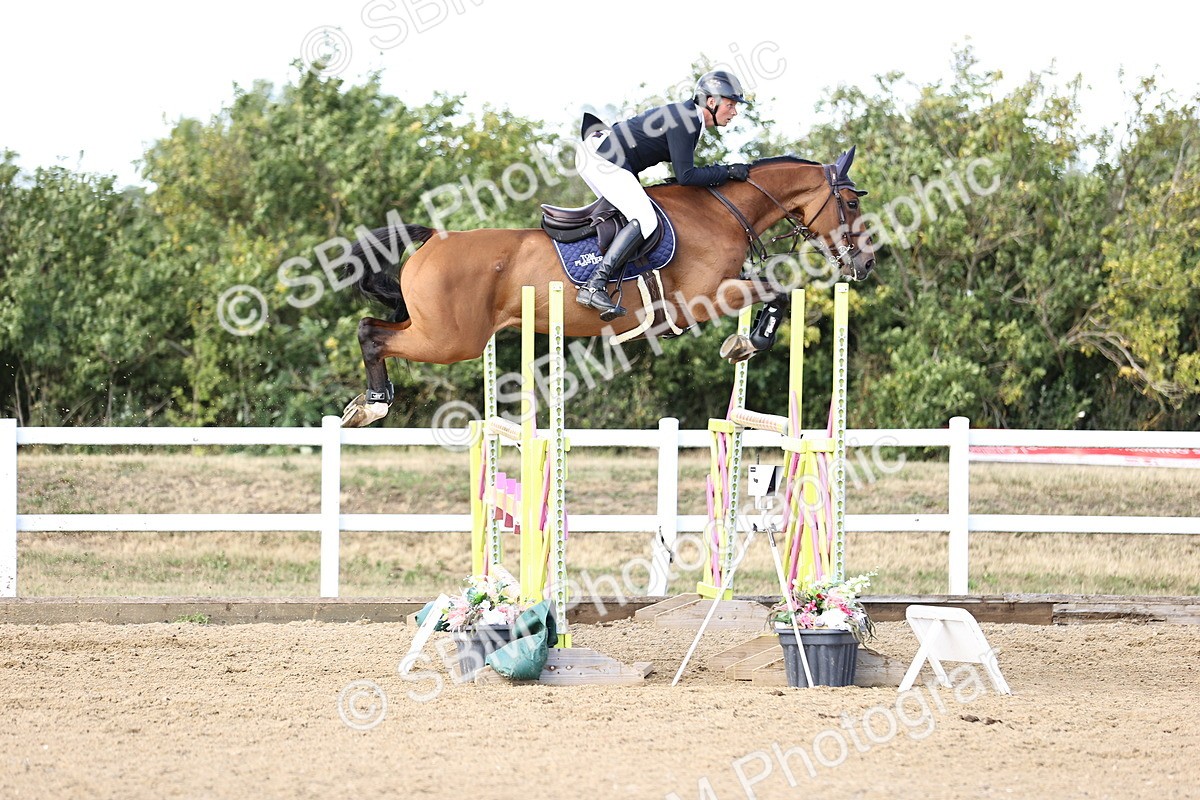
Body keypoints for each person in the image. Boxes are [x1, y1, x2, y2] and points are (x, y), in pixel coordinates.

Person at [574, 69, 752, 319]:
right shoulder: (686, 119)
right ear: (712, 102)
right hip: (602, 158)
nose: (734, 112)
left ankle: (614, 280)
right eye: (731, 105)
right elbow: (686, 176)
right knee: (646, 220)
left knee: (631, 219)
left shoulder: (689, 118)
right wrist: (728, 172)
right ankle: (594, 285)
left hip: (600, 154)